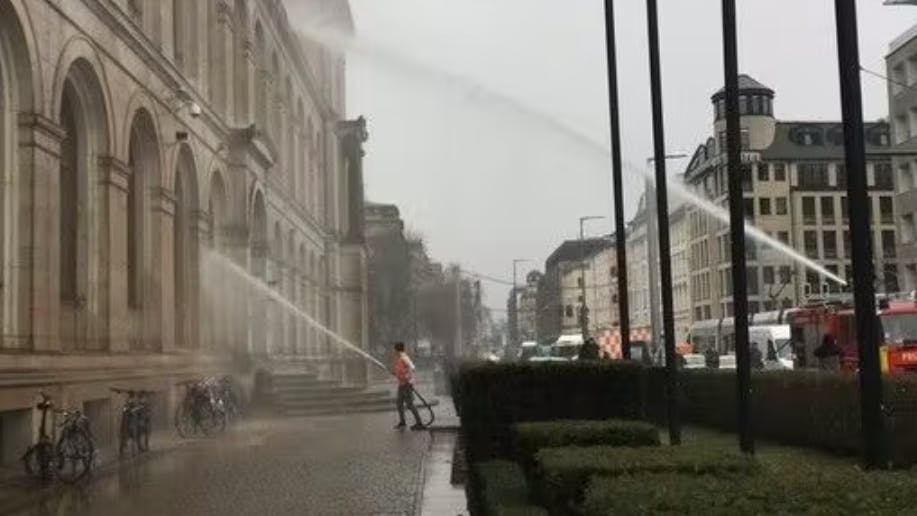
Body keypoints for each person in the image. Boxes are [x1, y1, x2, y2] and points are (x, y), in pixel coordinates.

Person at [392, 342, 424, 430]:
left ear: (396, 349)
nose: (393, 351)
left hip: (406, 385)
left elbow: (412, 368)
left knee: (410, 405)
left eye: (394, 349)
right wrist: (397, 374)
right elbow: (402, 371)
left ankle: (419, 423)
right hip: (402, 385)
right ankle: (402, 422)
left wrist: (407, 379)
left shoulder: (404, 358)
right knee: (399, 403)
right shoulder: (400, 358)